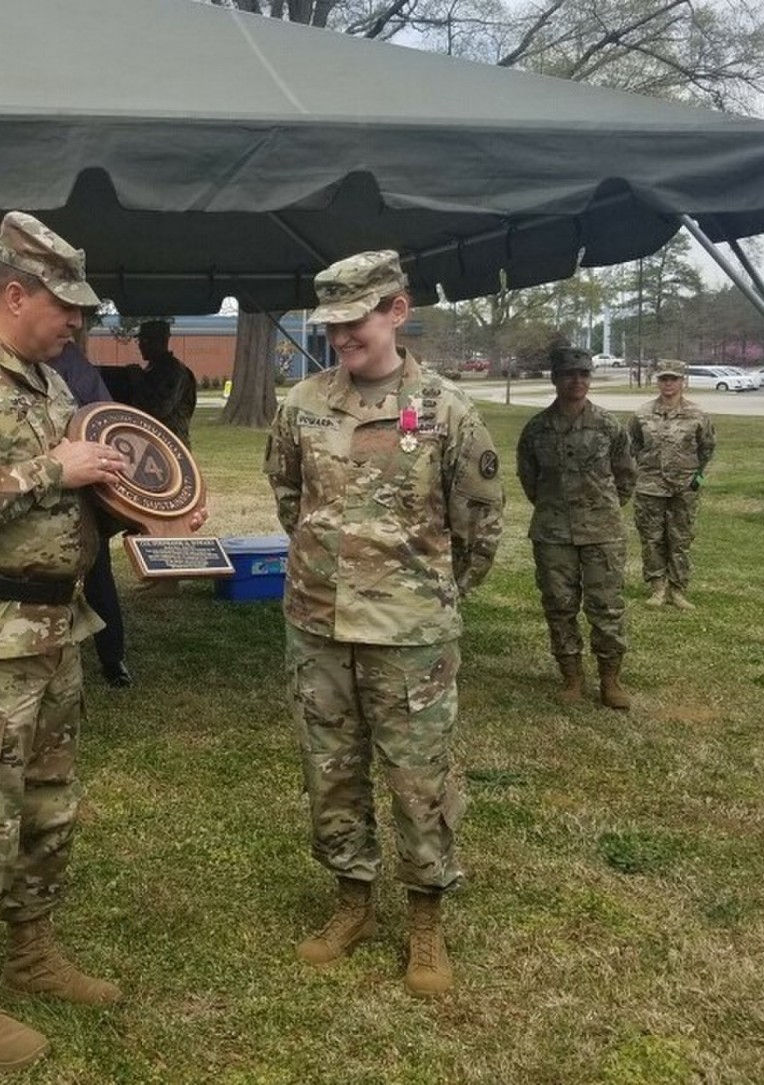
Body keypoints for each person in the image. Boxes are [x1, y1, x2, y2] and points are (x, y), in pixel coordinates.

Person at [0, 212, 203, 1070]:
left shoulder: (47, 385)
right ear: (15, 293)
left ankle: (30, 952)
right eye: (66, 307)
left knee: (46, 808)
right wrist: (49, 471)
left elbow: (85, 489)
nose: (79, 323)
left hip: (55, 629)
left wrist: (153, 500)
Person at [264, 250, 504, 997]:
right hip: (317, 627)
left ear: (397, 310)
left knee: (417, 780)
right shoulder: (301, 403)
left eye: (355, 321)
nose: (341, 337)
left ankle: (425, 917)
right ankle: (353, 900)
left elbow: (480, 522)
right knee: (330, 771)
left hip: (411, 636)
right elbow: (288, 496)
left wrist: (430, 593)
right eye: (331, 325)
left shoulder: (445, 409)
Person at [516, 345, 636, 709]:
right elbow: (529, 479)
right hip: (554, 533)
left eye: (584, 374)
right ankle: (571, 678)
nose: (577, 381)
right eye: (569, 374)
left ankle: (610, 680)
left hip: (603, 532)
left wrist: (602, 509)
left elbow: (626, 475)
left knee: (607, 606)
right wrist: (556, 510)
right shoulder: (537, 429)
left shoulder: (608, 426)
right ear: (555, 378)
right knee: (559, 605)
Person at [51, 330, 133, 687]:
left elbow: (106, 418)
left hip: (79, 497)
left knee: (98, 575)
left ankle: (112, 659)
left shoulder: (69, 361)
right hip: (29, 501)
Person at [627, 362, 716, 610]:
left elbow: (706, 448)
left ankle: (678, 589)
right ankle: (657, 587)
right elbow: (631, 445)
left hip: (683, 488)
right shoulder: (642, 413)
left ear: (682, 381)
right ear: (658, 381)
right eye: (664, 379)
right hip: (650, 487)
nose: (668, 384)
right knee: (652, 538)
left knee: (680, 539)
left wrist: (695, 478)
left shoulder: (697, 414)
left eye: (673, 379)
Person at [132, 318, 198, 447]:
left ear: (162, 341)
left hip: (171, 443)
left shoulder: (173, 371)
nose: (140, 345)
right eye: (139, 341)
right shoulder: (154, 368)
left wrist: (137, 380)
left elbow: (160, 409)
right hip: (153, 441)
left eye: (145, 341)